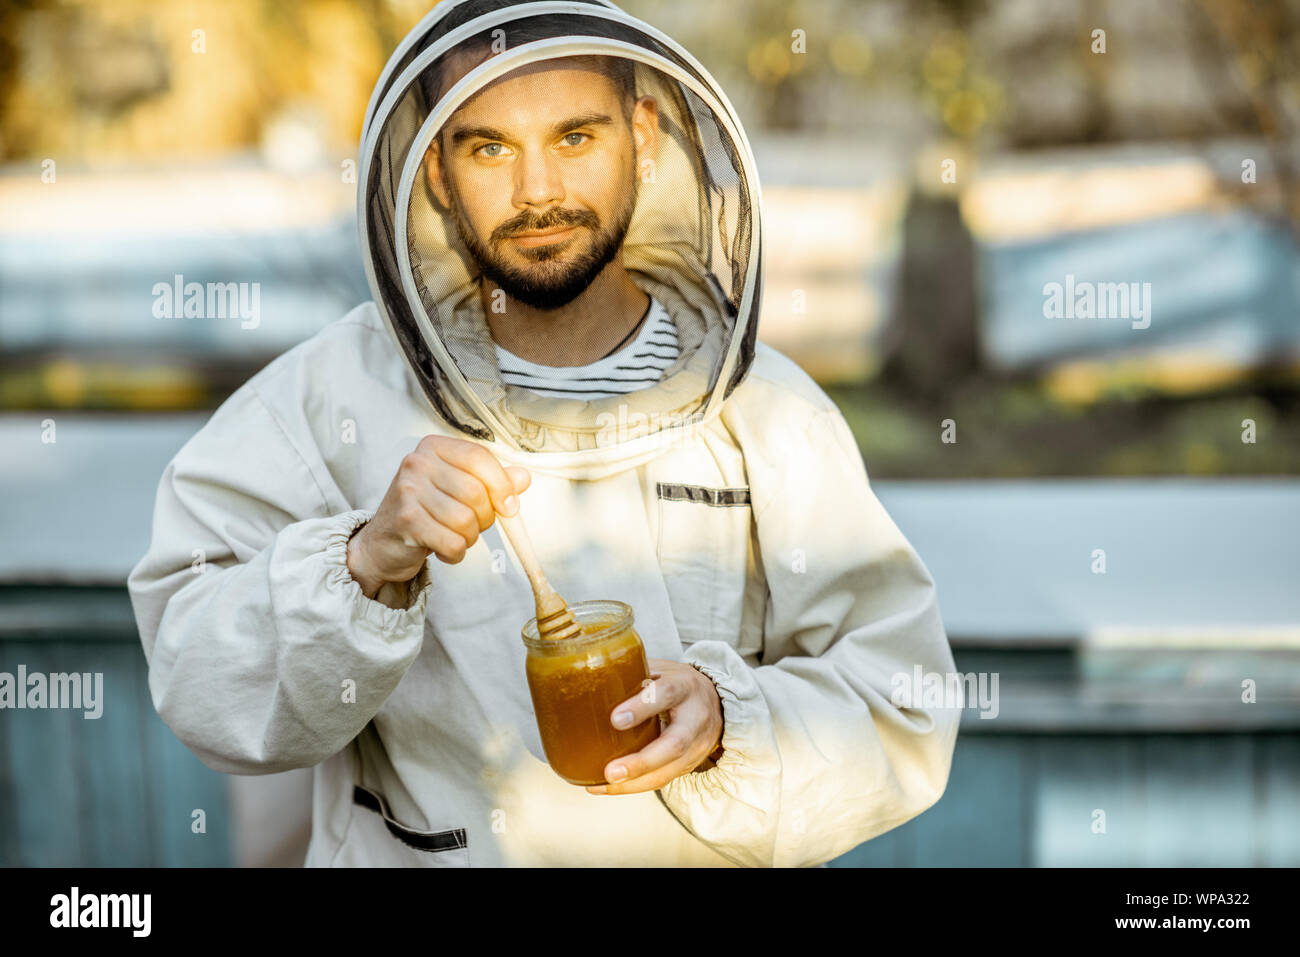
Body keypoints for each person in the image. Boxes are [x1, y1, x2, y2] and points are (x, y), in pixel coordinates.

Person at [128, 0, 960, 867]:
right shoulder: (325, 400)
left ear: (643, 134)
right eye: (489, 147)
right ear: (438, 171)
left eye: (575, 137)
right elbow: (195, 674)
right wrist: (364, 562)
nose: (538, 193)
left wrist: (729, 720)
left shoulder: (769, 415)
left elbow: (902, 701)